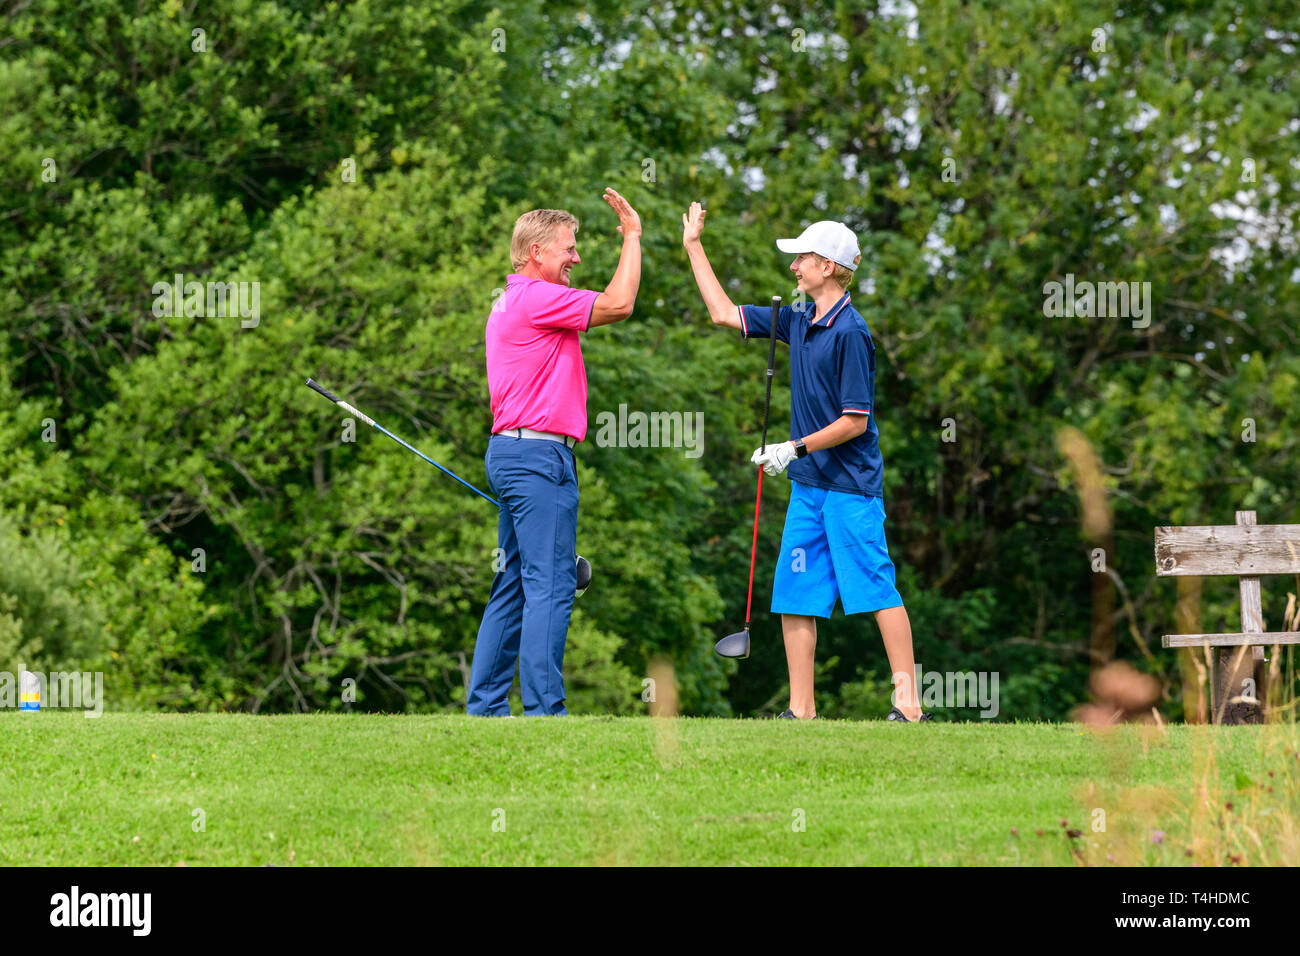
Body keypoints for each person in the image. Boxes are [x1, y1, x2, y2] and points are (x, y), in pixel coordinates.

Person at [681, 202, 927, 721]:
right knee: (795, 593)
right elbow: (723, 313)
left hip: (850, 486)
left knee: (875, 588)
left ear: (830, 268)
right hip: (809, 486)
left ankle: (908, 706)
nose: (794, 267)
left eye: (803, 258)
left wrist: (792, 448)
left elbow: (855, 420)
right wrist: (693, 247)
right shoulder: (799, 320)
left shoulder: (851, 333)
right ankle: (801, 711)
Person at [468, 189, 642, 716]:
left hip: (520, 454)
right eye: (568, 248)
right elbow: (620, 304)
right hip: (537, 459)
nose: (576, 257)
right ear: (535, 252)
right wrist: (632, 236)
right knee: (552, 582)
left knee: (515, 583)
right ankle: (546, 712)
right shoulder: (535, 298)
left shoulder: (515, 299)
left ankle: (487, 707)